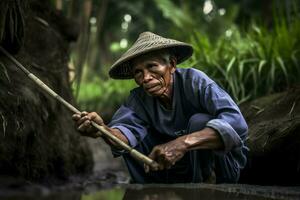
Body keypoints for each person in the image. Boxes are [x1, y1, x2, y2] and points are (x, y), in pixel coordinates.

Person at [72, 32, 248, 184]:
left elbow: (236, 123)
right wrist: (102, 130)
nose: (146, 78)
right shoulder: (138, 99)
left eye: (152, 67)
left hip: (219, 168)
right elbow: (123, 135)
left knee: (199, 121)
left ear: (171, 65)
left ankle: (206, 185)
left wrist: (182, 143)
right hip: (170, 174)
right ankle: (151, 191)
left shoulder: (195, 81)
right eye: (138, 72)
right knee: (135, 140)